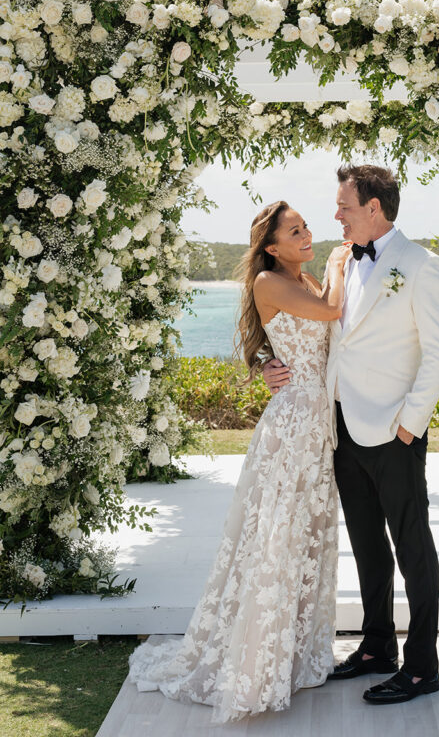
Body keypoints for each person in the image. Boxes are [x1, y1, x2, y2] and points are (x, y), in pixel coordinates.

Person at [128, 201, 351, 724]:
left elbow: (301, 342)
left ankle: (292, 655)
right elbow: (330, 314)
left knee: (305, 537)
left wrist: (264, 359)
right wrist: (341, 268)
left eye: (305, 226)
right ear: (271, 247)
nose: (306, 234)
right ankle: (256, 660)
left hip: (318, 424)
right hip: (293, 426)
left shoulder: (305, 276)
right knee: (275, 538)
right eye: (294, 231)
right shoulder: (271, 281)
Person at [264, 165, 439, 706]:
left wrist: (408, 425)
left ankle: (421, 667)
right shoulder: (343, 259)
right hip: (341, 427)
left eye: (344, 205)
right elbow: (312, 332)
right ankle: (377, 649)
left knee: (412, 546)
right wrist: (266, 364)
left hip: (394, 431)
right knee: (369, 547)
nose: (336, 215)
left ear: (374, 208)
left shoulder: (421, 265)